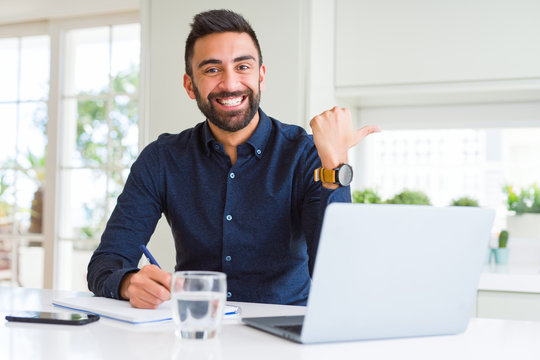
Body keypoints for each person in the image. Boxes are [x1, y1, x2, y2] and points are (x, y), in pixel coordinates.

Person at [87, 9, 379, 308]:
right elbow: (105, 265)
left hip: (283, 337)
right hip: (196, 331)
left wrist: (335, 164)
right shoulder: (162, 159)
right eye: (212, 70)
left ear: (260, 76)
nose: (229, 83)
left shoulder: (305, 154)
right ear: (190, 86)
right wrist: (128, 282)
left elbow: (337, 275)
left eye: (243, 66)